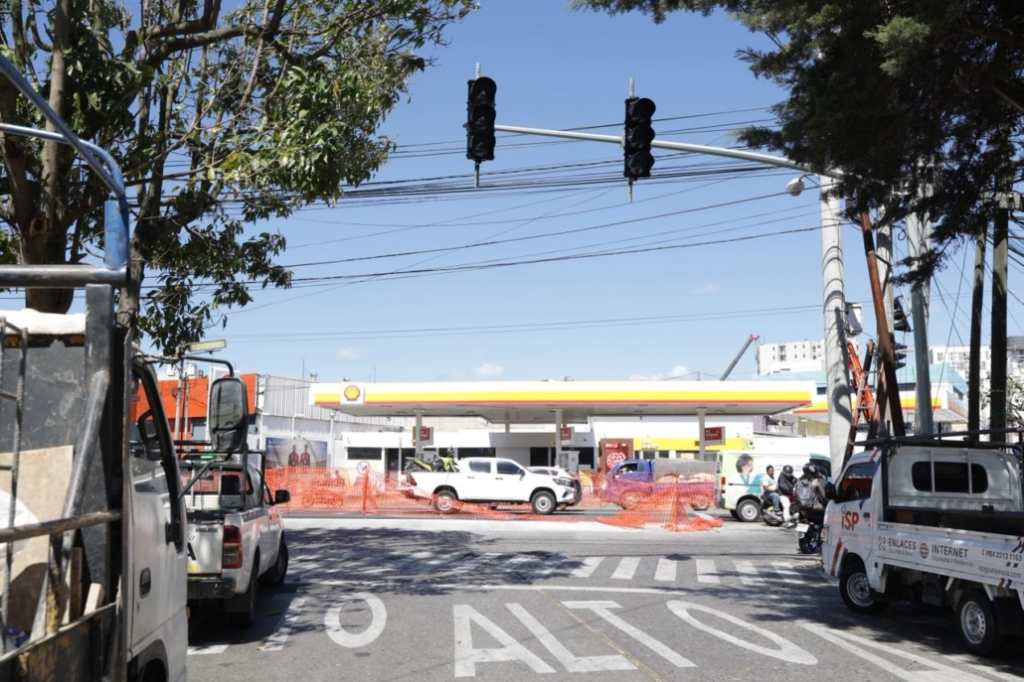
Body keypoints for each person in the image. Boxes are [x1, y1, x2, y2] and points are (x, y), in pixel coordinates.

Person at [794, 462, 828, 553]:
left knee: (802, 524)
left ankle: (803, 544)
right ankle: (821, 544)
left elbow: (794, 494)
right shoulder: (817, 481)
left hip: (802, 510)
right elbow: (823, 496)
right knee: (825, 523)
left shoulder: (799, 481)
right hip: (815, 509)